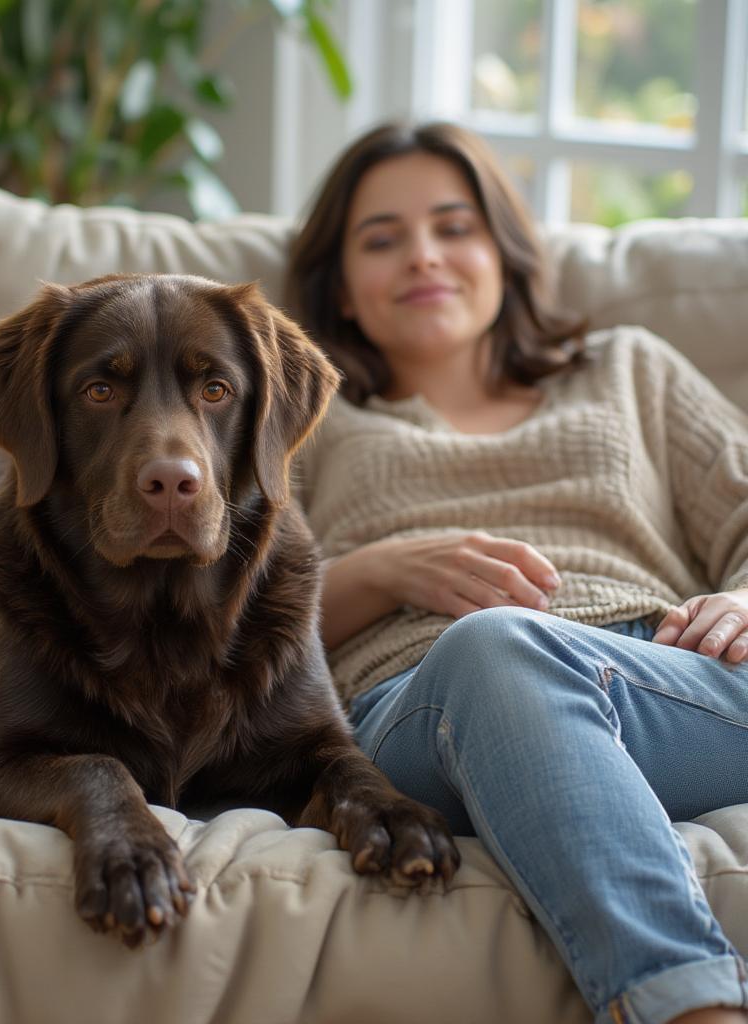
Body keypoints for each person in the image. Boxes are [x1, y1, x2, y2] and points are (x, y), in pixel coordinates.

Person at [285, 120, 748, 1024]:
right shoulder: (304, 414)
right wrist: (383, 571)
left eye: (454, 227)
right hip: (427, 703)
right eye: (382, 239)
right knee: (497, 649)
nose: (424, 256)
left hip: (664, 678)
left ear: (504, 248)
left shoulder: (627, 369)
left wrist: (744, 599)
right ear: (340, 280)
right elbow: (218, 624)